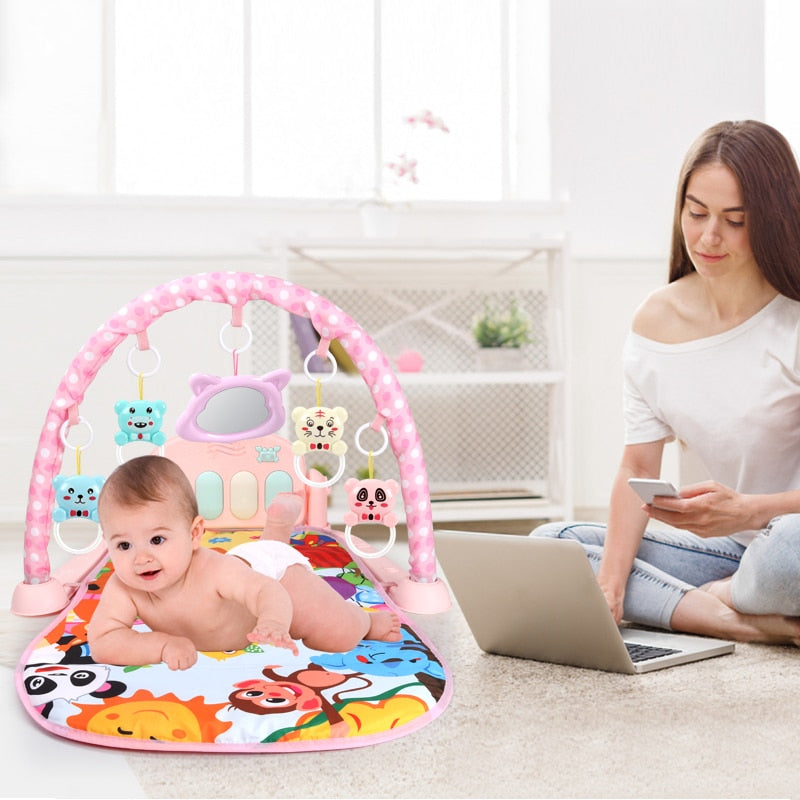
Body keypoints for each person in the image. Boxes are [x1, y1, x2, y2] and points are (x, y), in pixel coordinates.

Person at [532, 120, 800, 646]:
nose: (708, 237)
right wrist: (609, 587)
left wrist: (750, 510)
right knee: (552, 546)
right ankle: (742, 620)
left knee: (788, 553)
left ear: (772, 220)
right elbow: (637, 467)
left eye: (735, 220)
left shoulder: (791, 322)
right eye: (696, 213)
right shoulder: (656, 323)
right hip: (733, 550)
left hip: (787, 540)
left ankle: (715, 598)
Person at [88, 455, 401, 670]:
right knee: (255, 559)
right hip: (247, 567)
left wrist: (275, 622)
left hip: (278, 580)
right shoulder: (123, 587)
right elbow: (103, 641)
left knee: (337, 636)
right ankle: (276, 528)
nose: (141, 558)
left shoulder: (214, 571)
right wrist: (161, 646)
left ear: (195, 533)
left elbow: (267, 592)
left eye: (157, 540)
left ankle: (365, 621)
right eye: (124, 545)